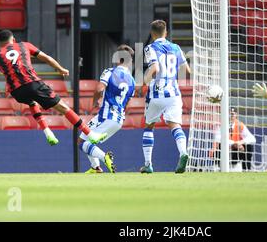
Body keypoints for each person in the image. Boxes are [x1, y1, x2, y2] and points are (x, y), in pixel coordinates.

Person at [0, 30, 105, 146]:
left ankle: (47, 132)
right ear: (13, 39)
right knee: (64, 108)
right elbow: (46, 57)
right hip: (32, 83)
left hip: (16, 92)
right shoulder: (24, 45)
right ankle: (90, 134)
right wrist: (60, 69)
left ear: (1, 42)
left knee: (32, 103)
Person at [140, 20, 191, 174]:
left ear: (152, 33)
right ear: (166, 32)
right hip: (174, 93)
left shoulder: (150, 48)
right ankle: (183, 153)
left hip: (156, 93)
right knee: (175, 126)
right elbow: (187, 70)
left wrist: (143, 82)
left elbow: (154, 68)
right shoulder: (176, 47)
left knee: (149, 126)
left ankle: (148, 164)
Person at [78, 45, 136, 174]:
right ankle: (95, 167)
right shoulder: (132, 80)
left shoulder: (110, 72)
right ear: (129, 61)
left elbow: (99, 88)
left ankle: (105, 157)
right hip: (117, 119)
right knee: (83, 138)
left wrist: (95, 101)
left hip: (107, 116)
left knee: (83, 143)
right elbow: (127, 102)